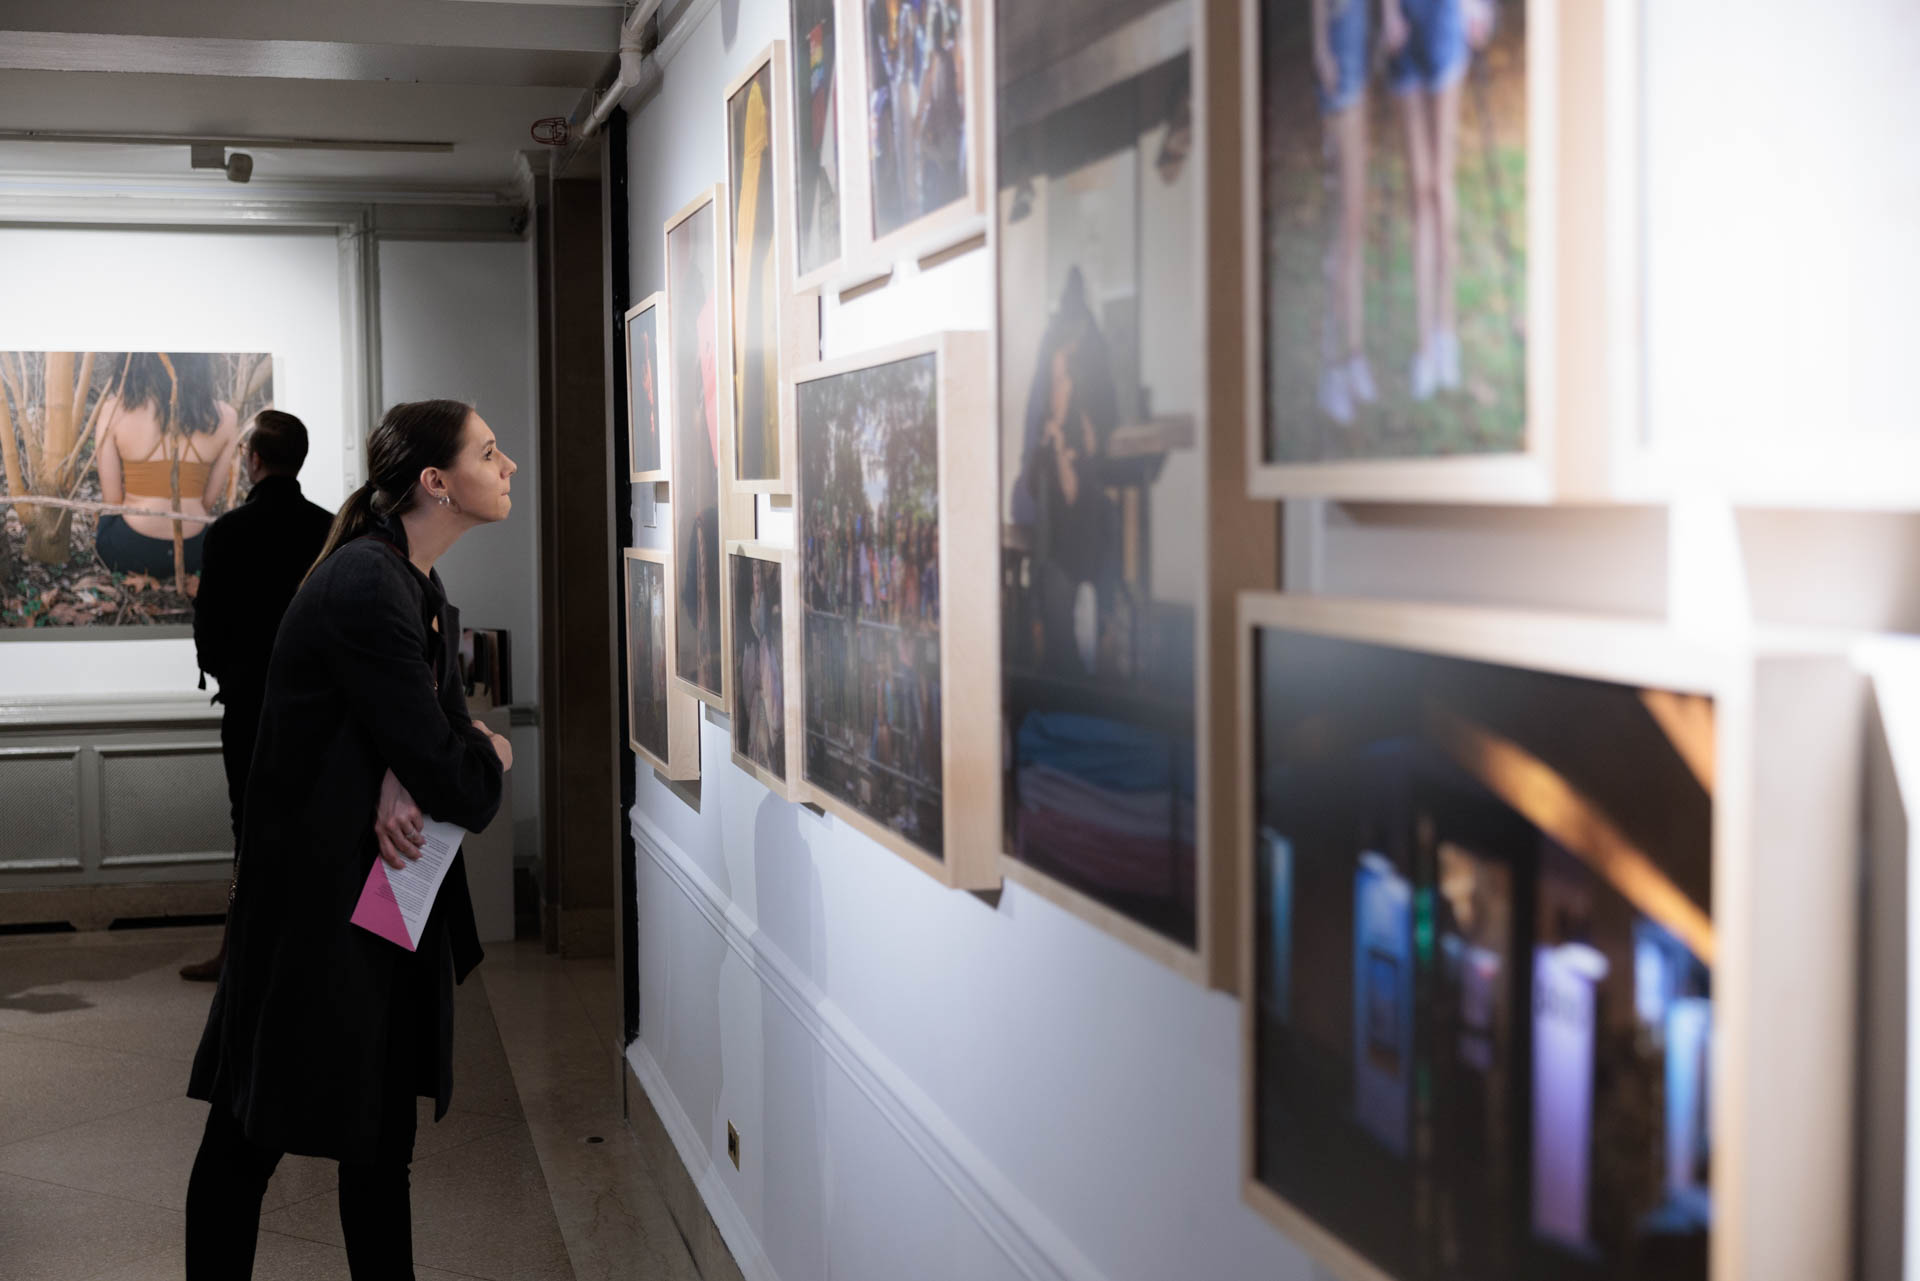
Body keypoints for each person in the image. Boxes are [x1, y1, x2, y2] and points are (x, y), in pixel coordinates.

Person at [185, 398, 517, 1280]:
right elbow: (460, 775)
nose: (508, 464)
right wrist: (479, 748)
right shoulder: (372, 582)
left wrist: (429, 756)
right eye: (491, 452)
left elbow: (434, 738)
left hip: (362, 906)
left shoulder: (411, 581)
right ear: (436, 481)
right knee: (254, 1134)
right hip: (316, 915)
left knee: (368, 1140)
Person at [180, 410, 336, 983]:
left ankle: (240, 954)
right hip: (318, 709)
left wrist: (226, 673)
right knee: (315, 823)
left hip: (249, 705)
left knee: (248, 825)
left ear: (253, 460)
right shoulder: (327, 527)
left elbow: (209, 620)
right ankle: (311, 954)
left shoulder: (228, 532)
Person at [1382, 0, 1496, 399]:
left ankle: (1446, 331)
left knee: (1439, 185)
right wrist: (1387, 12)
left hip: (1445, 18)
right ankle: (1424, 345)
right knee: (1419, 187)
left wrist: (1479, 9)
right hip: (1404, 24)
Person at [93, 352, 242, 577]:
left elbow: (112, 501)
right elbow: (207, 502)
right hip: (195, 552)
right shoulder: (227, 417)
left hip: (128, 550)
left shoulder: (114, 410)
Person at [1311, 0, 1378, 423]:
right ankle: (1332, 368)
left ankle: (1352, 355)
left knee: (1354, 223)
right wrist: (1320, 45)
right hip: (1340, 44)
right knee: (1344, 226)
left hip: (1357, 39)